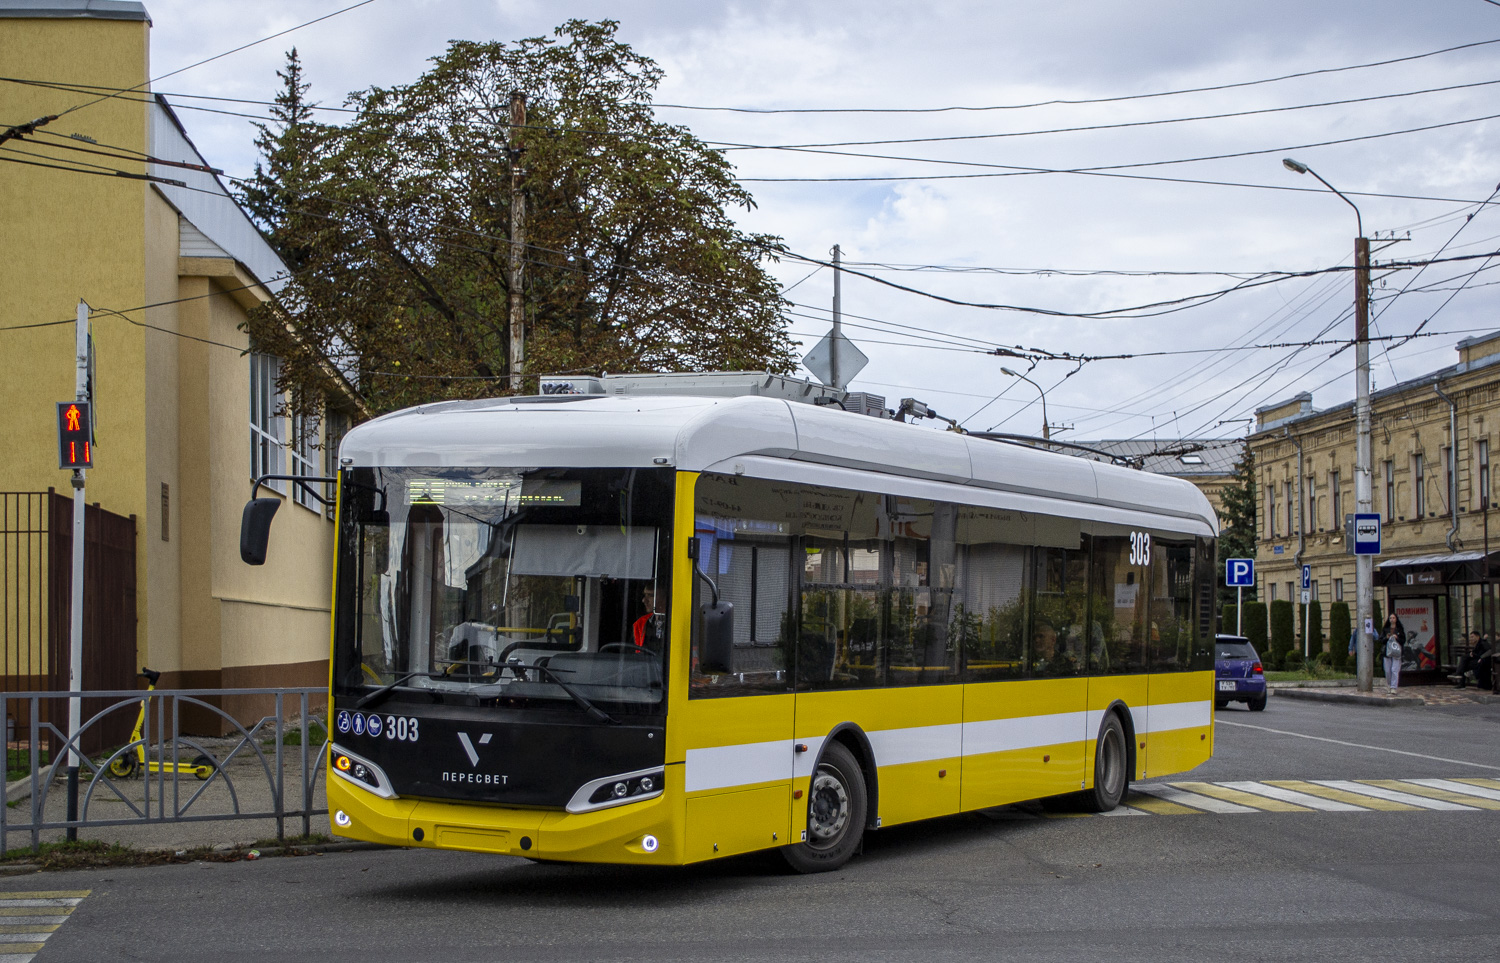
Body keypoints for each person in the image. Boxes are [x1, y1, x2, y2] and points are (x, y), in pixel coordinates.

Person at [1378, 613, 1406, 694]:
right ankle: (1389, 685)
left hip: (1396, 652)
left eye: (1393, 618)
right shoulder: (1385, 629)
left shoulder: (1400, 629)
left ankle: (1393, 687)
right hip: (1387, 652)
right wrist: (1386, 637)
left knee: (1394, 670)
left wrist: (1397, 638)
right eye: (1391, 618)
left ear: (1396, 619)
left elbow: (1403, 640)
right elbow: (1381, 640)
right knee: (1387, 670)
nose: (1392, 619)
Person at [632, 584, 663, 649]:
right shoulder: (640, 624)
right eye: (645, 595)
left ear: (665, 597)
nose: (644, 600)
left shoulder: (677, 623)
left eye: (651, 595)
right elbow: (631, 652)